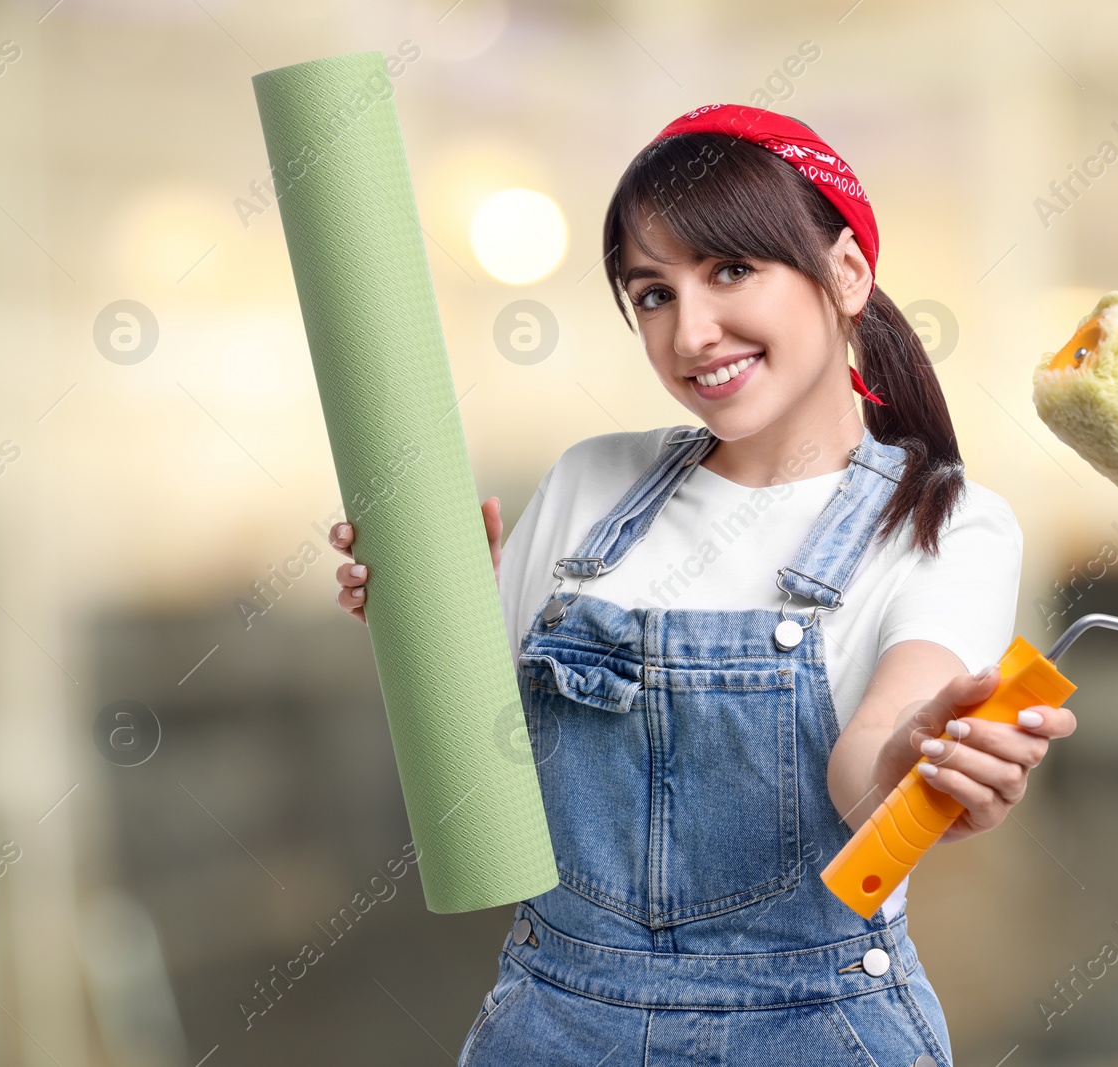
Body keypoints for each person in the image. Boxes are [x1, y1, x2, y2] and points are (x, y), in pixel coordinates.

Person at [331, 103, 1076, 1066]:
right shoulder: (588, 485)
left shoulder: (945, 521)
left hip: (816, 1028)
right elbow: (486, 786)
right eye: (651, 293)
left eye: (731, 269)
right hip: (555, 1023)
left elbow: (866, 773)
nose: (691, 332)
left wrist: (926, 762)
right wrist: (433, 623)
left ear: (846, 273)